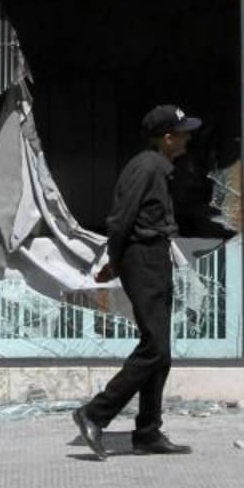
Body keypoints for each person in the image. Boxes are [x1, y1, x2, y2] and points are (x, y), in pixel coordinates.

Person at [71, 104, 199, 460]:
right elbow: (121, 217)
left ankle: (148, 432)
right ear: (167, 137)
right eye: (183, 132)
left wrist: (117, 262)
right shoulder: (149, 166)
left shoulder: (156, 165)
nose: (188, 138)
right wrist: (116, 259)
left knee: (161, 352)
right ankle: (94, 413)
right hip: (143, 258)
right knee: (154, 348)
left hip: (150, 256)